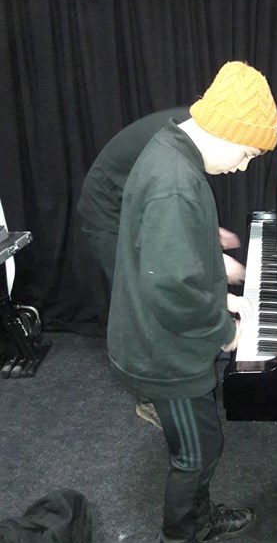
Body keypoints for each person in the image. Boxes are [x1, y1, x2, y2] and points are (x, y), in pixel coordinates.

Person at [106, 61, 277, 543]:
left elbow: (174, 260)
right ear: (225, 131)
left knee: (205, 444)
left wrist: (222, 295)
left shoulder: (171, 151)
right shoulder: (175, 183)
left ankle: (199, 520)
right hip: (164, 351)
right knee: (195, 453)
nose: (244, 166)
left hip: (168, 336)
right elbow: (171, 291)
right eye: (247, 153)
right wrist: (227, 334)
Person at [77, 107, 246, 429]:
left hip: (133, 203)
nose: (242, 166)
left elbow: (171, 208)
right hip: (108, 212)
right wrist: (213, 263)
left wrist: (207, 237)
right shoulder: (176, 154)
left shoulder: (195, 131)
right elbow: (166, 258)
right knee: (145, 304)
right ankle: (152, 396)